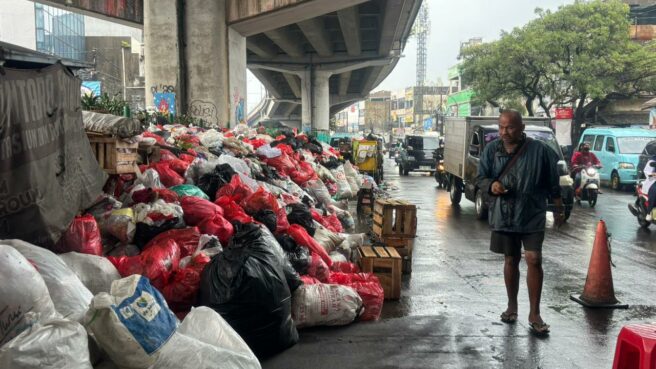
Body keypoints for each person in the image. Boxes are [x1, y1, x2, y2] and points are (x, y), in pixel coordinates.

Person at [477, 111, 564, 336]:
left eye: (510, 128)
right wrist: (491, 185)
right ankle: (511, 306)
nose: (505, 132)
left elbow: (552, 180)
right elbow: (480, 177)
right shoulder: (491, 150)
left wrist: (558, 205)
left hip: (532, 211)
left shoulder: (539, 150)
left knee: (534, 259)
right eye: (501, 127)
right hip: (503, 213)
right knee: (511, 259)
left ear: (522, 127)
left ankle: (534, 313)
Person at [643, 155, 656, 221]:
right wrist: (654, 175)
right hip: (653, 181)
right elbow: (648, 174)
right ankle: (649, 212)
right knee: (654, 191)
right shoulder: (652, 161)